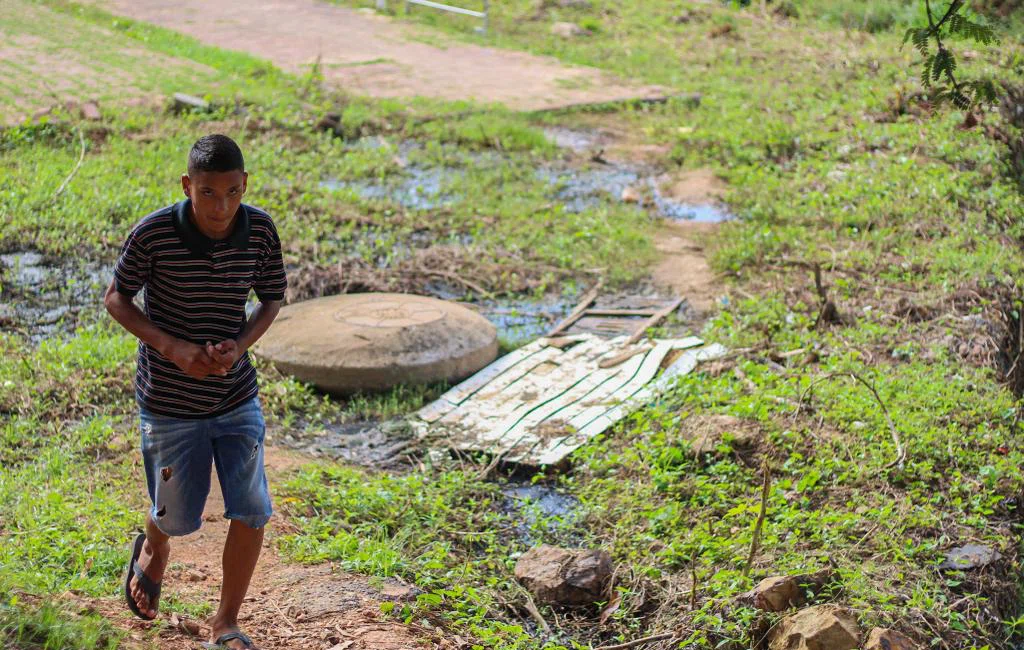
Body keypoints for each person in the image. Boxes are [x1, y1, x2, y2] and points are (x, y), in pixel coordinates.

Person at [104, 133, 286, 650]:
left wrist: (241, 344)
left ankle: (225, 623)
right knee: (179, 516)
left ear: (245, 184)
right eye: (208, 193)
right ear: (188, 186)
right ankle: (155, 545)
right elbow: (116, 298)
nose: (221, 206)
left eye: (232, 192)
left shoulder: (261, 231)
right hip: (169, 402)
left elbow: (271, 299)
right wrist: (173, 348)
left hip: (236, 398)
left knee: (251, 507)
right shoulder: (155, 234)